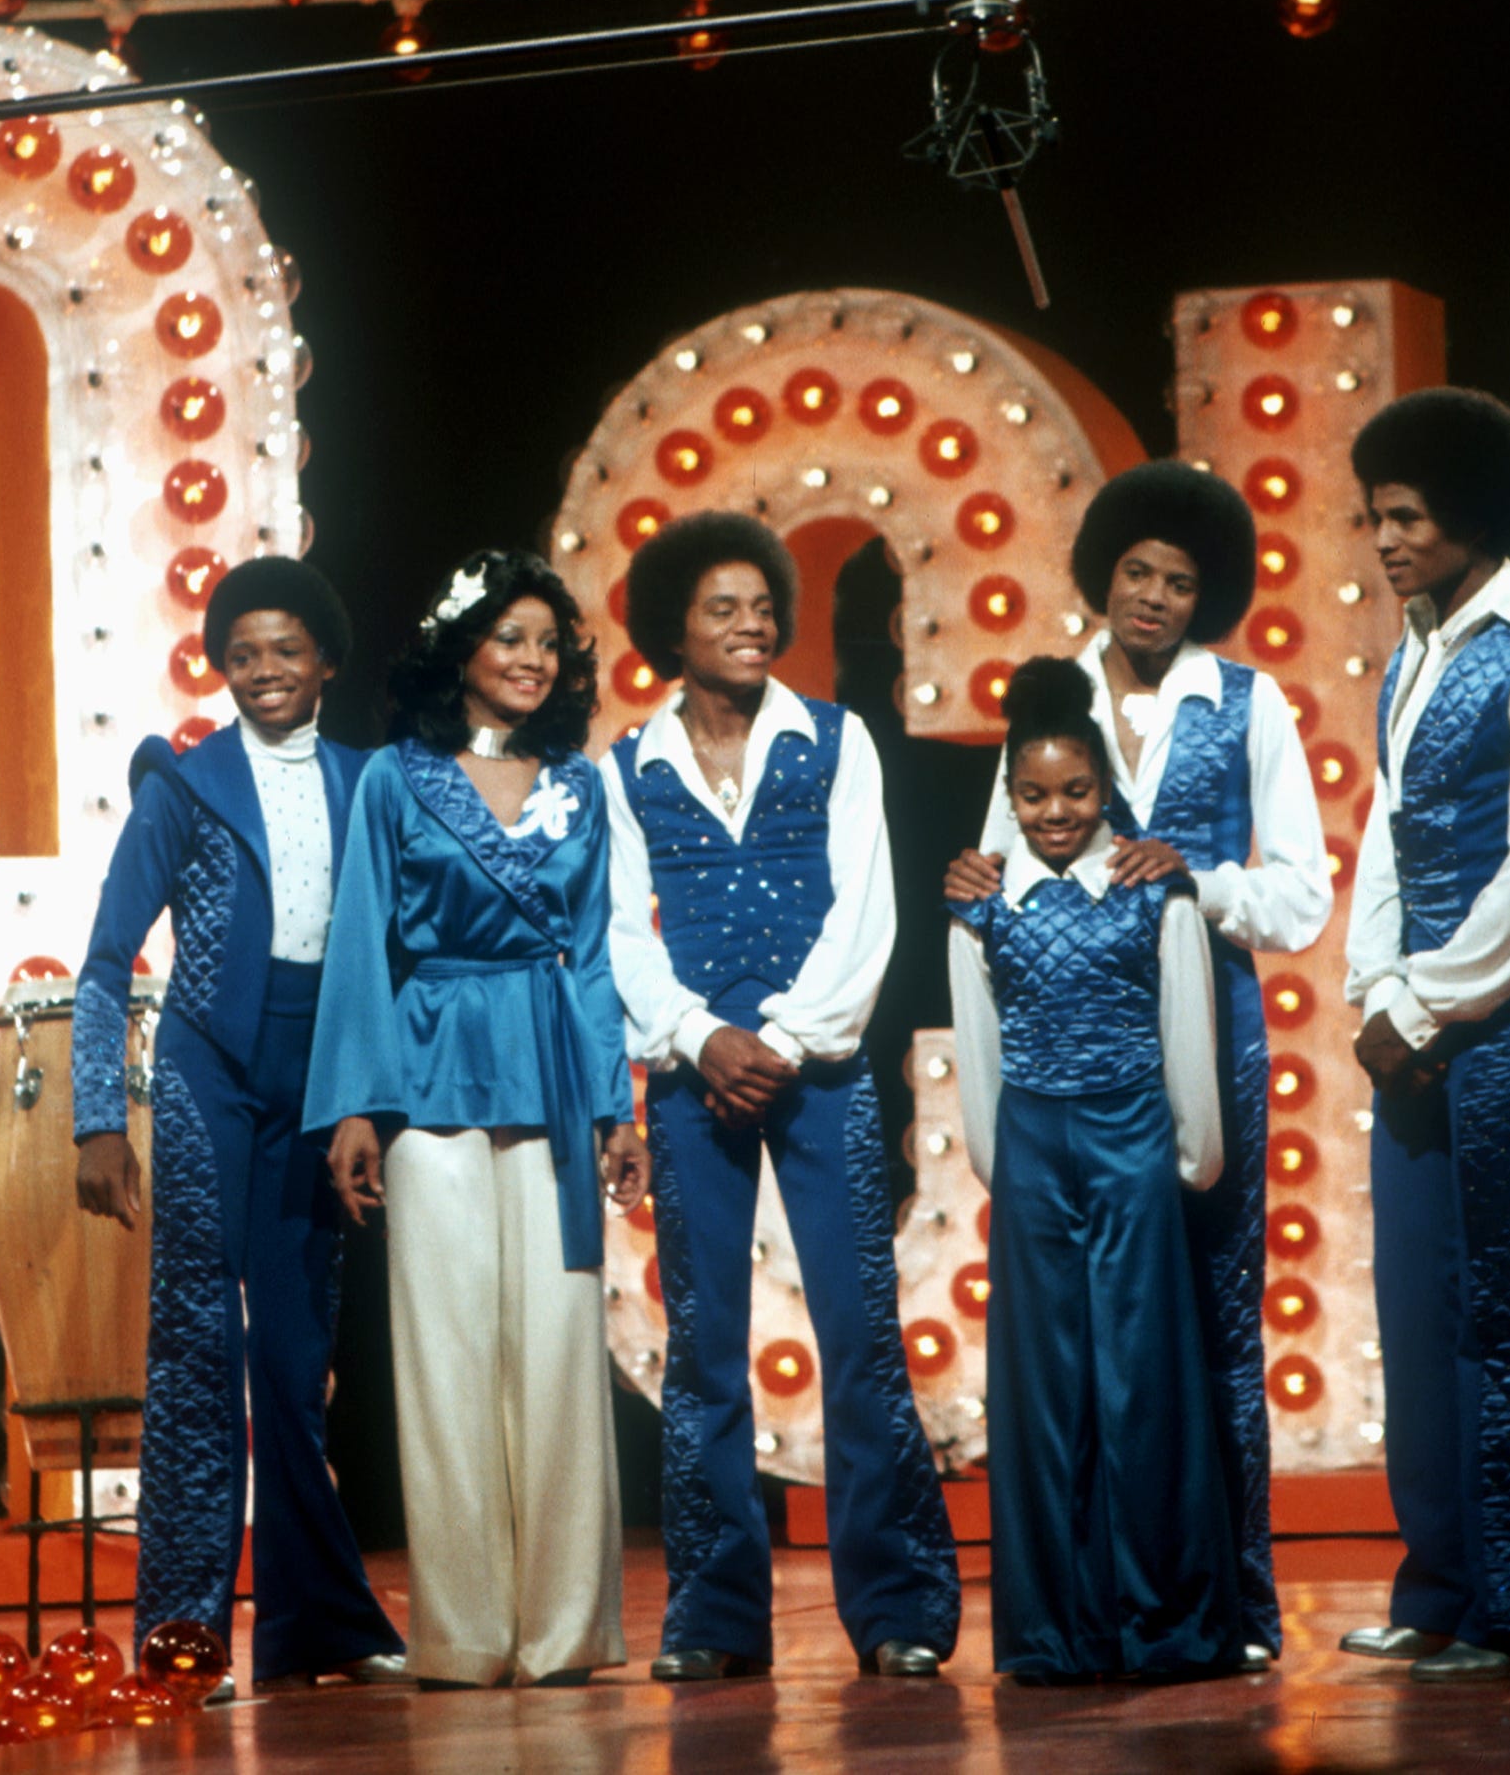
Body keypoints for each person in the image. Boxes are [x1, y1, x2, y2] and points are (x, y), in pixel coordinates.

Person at [943, 460, 1332, 1666]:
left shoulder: (1246, 703)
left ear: (1207, 595)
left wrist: (1194, 879)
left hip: (1207, 1018)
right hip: (1067, 1050)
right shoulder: (1051, 699)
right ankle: (1088, 1605)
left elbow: (1302, 896)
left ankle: (1233, 1607)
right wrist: (971, 878)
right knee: (1072, 1341)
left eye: (1180, 580)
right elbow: (1005, 870)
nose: (1155, 597)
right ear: (1102, 576)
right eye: (1136, 574)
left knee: (1207, 1317)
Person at [601, 513, 960, 1682]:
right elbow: (618, 938)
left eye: (764, 606)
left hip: (824, 1072)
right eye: (723, 607)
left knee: (859, 1338)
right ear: (672, 629)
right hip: (692, 1080)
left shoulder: (836, 741)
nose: (751, 623)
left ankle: (898, 1607)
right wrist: (705, 1041)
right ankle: (712, 1620)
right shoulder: (627, 767)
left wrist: (784, 1043)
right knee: (705, 1348)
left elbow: (870, 914)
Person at [304, 549, 646, 1689]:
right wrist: (355, 1104)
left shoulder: (580, 784)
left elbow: (591, 954)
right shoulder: (398, 780)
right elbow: (362, 941)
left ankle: (561, 1633)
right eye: (510, 638)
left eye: (549, 643)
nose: (532, 661)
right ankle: (462, 1634)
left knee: (555, 1355)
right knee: (446, 1357)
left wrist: (613, 1100)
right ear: (461, 652)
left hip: (551, 1069)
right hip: (432, 1070)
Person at [73, 557, 406, 1693]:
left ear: (327, 663)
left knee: (298, 1359)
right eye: (244, 653)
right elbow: (108, 958)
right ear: (222, 667)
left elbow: (387, 957)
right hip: (212, 1082)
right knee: (198, 1350)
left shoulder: (371, 785)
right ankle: (183, 1638)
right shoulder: (186, 784)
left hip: (322, 1092)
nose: (265, 671)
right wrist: (96, 1119)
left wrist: (369, 1096)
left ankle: (321, 1627)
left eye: (286, 650)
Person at [1339, 387, 1510, 1683]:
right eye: (1376, 515)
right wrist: (1373, 995)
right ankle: (1438, 1587)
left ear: (1474, 517)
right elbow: (1388, 840)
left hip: (1501, 1031)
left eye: (1406, 515)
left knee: (1502, 1314)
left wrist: (1427, 1006)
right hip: (1412, 1029)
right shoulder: (1415, 652)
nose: (1384, 537)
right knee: (1415, 1309)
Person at [946, 658, 1240, 1683]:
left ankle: (1164, 1623)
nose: (1055, 811)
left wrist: (1189, 1160)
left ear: (1104, 787)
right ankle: (1054, 1631)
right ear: (1009, 794)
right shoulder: (981, 903)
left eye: (1075, 791)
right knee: (1044, 1388)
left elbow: (1183, 1038)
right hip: (1031, 1152)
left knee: (1144, 1376)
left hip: (1130, 1143)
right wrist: (1007, 1167)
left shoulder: (1149, 891)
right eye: (1033, 794)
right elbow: (978, 1057)